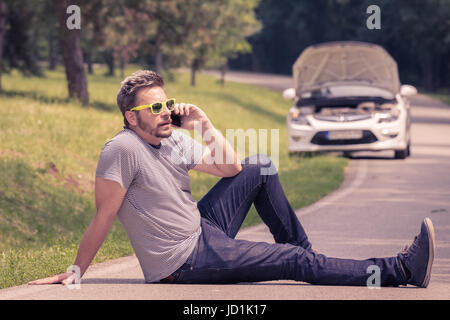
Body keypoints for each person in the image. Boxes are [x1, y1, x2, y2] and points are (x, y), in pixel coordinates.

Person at [29, 70, 435, 288]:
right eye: (155, 108)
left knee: (261, 165)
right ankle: (399, 270)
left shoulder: (172, 139)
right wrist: (77, 270)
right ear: (131, 117)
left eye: (167, 103)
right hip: (184, 261)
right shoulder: (122, 149)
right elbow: (104, 215)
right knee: (294, 261)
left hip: (202, 229)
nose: (166, 112)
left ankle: (308, 260)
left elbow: (232, 169)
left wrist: (204, 121)